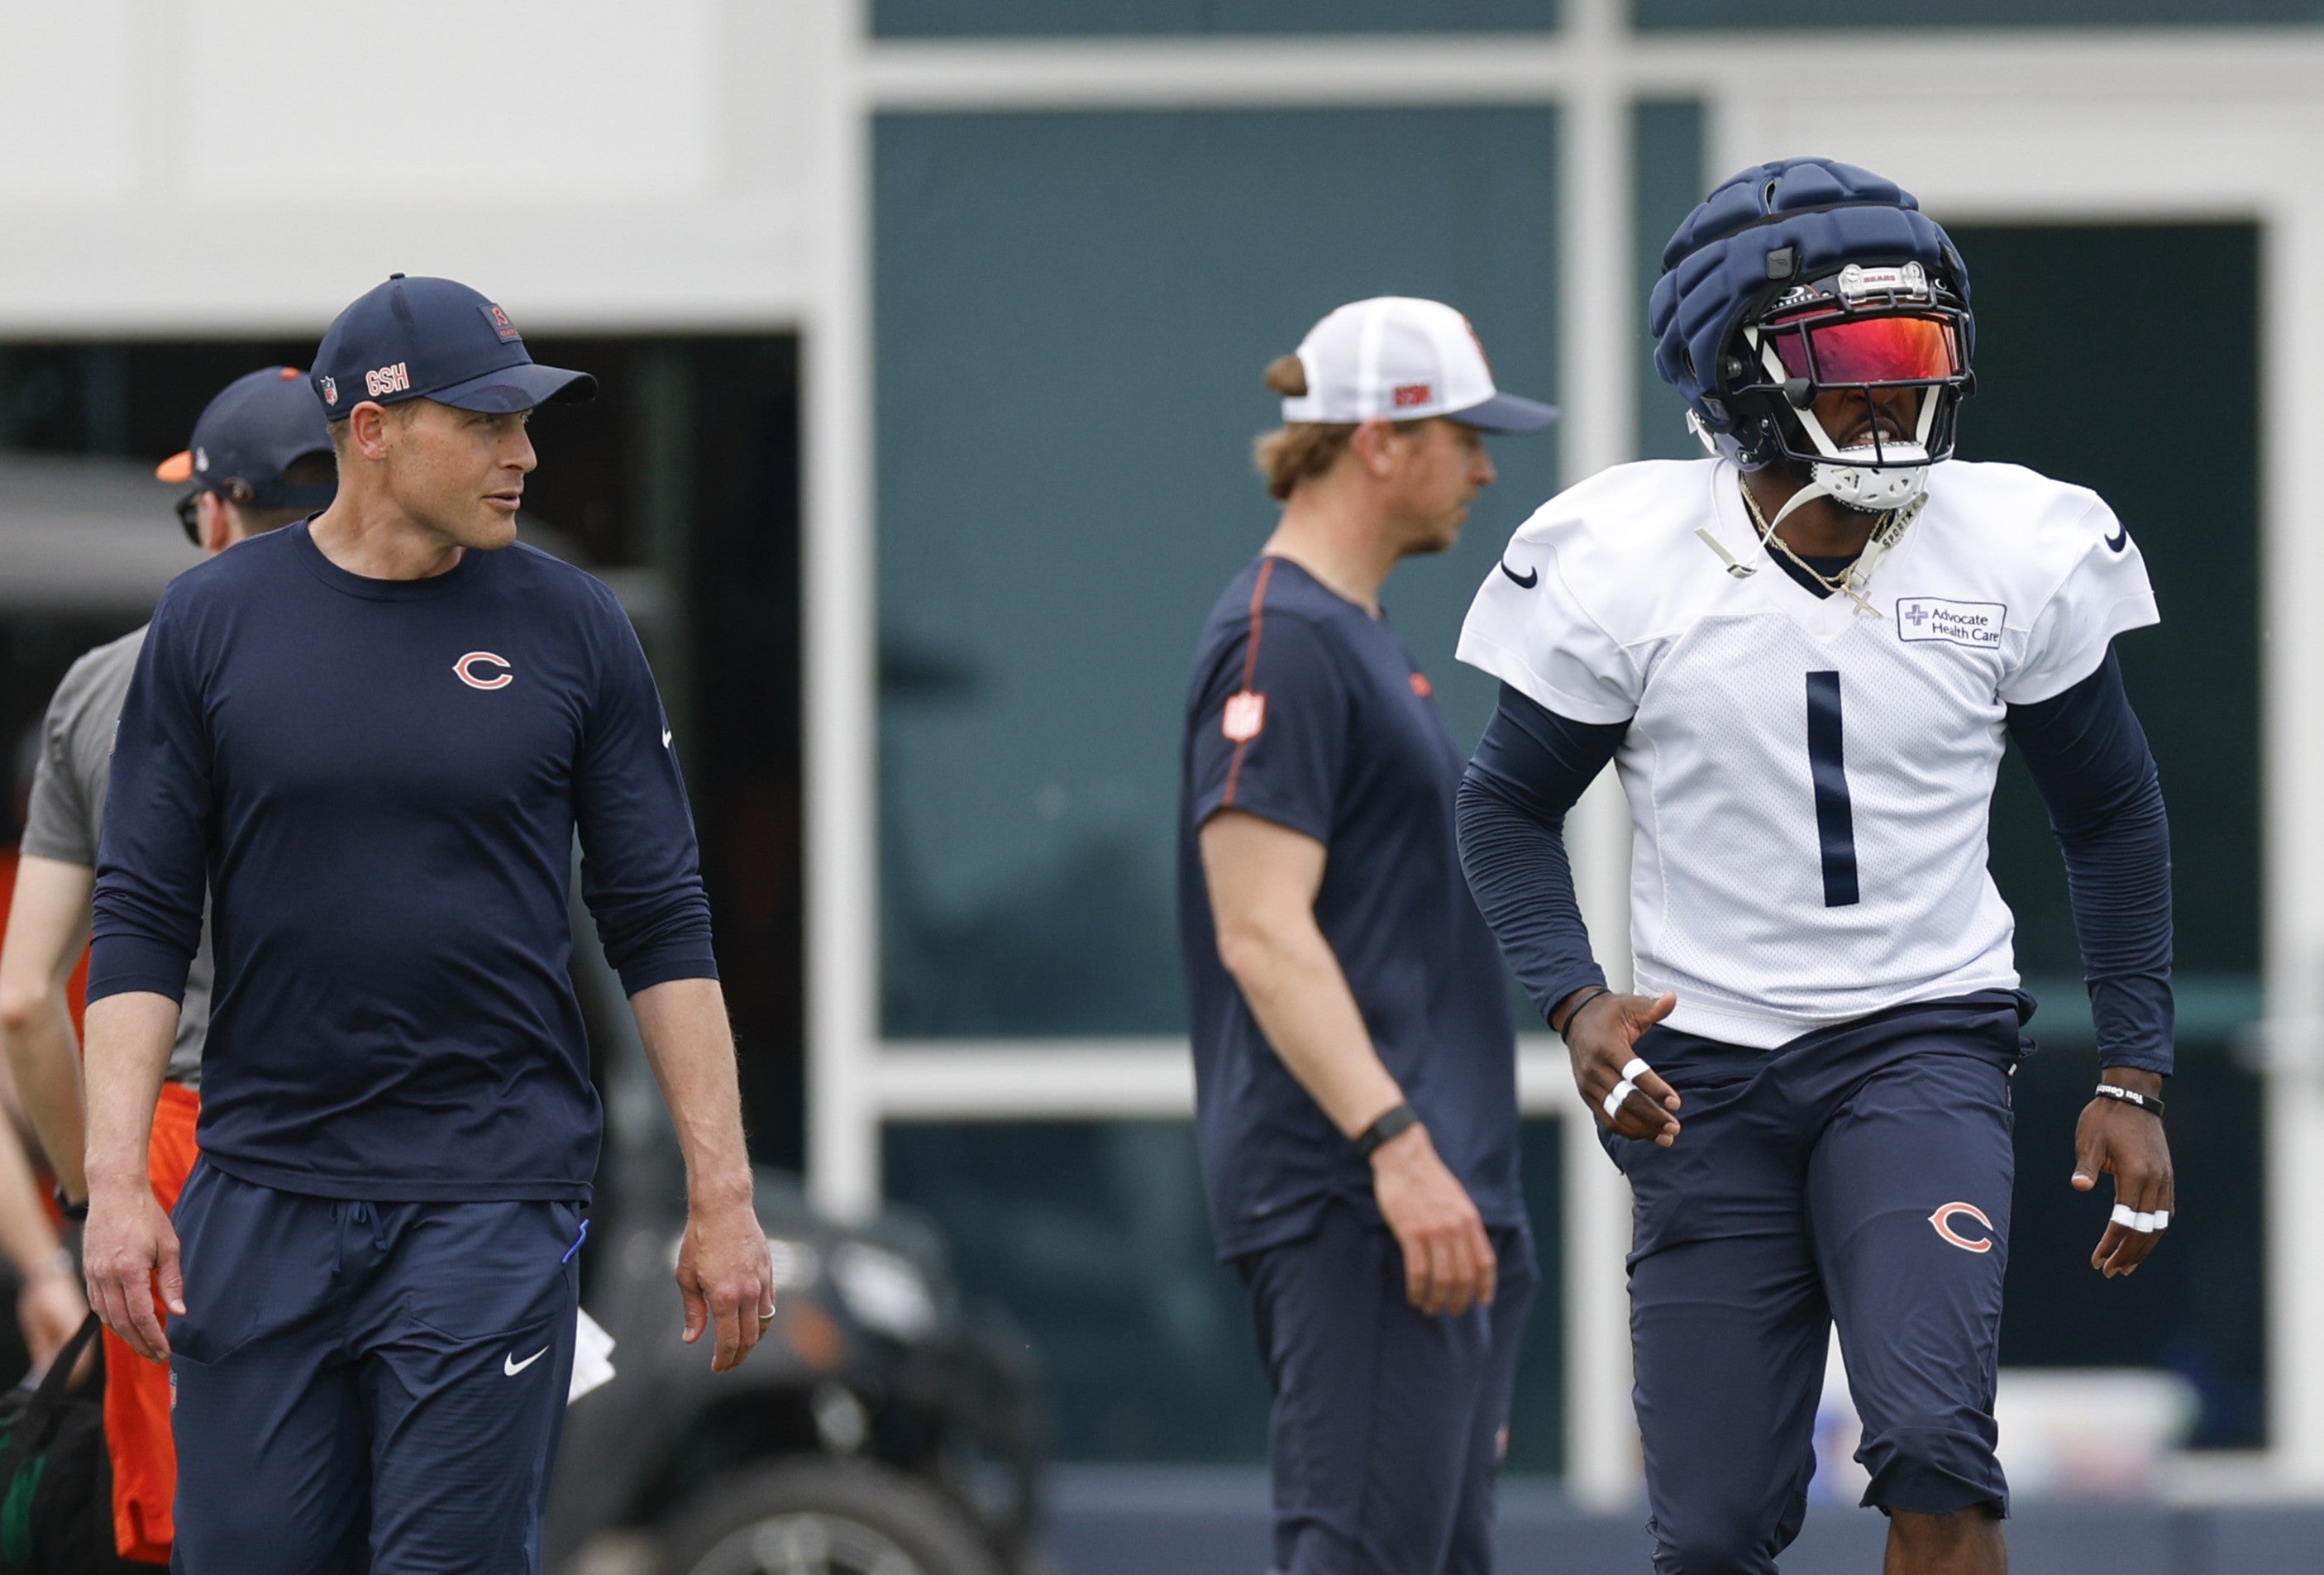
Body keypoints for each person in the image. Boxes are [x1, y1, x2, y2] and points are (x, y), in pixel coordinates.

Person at [1454, 158, 2176, 1574]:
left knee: (1937, 1462)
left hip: (1923, 1045)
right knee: (1716, 1530)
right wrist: (1574, 1000)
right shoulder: (1629, 557)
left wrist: (2135, 1067)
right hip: (1706, 1079)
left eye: (1919, 353)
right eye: (1849, 360)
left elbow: (2113, 812)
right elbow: (1505, 811)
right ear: (1739, 370)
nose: (1894, 397)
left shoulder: (2014, 543)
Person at [79, 275, 775, 1575]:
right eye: (491, 422)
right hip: (265, 1191)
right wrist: (118, 1180)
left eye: (530, 424)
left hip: (490, 1200)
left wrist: (721, 1194)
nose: (525, 454)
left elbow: (663, 923)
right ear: (376, 429)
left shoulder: (576, 628)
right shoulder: (213, 622)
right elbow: (141, 917)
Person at [1180, 296, 1557, 1575]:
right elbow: (1261, 932)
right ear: (1384, 440)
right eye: (1466, 434)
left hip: (1429, 1202)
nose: (1489, 467)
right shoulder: (1278, 641)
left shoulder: (1348, 637)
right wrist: (1396, 1148)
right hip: (1363, 1198)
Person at [0, 364, 336, 1563]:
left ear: (212, 512)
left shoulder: (102, 688)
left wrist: (102, 1189)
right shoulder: (399, 662)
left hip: (174, 1137)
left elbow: (23, 997)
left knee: (192, 1527)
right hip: (380, 1135)